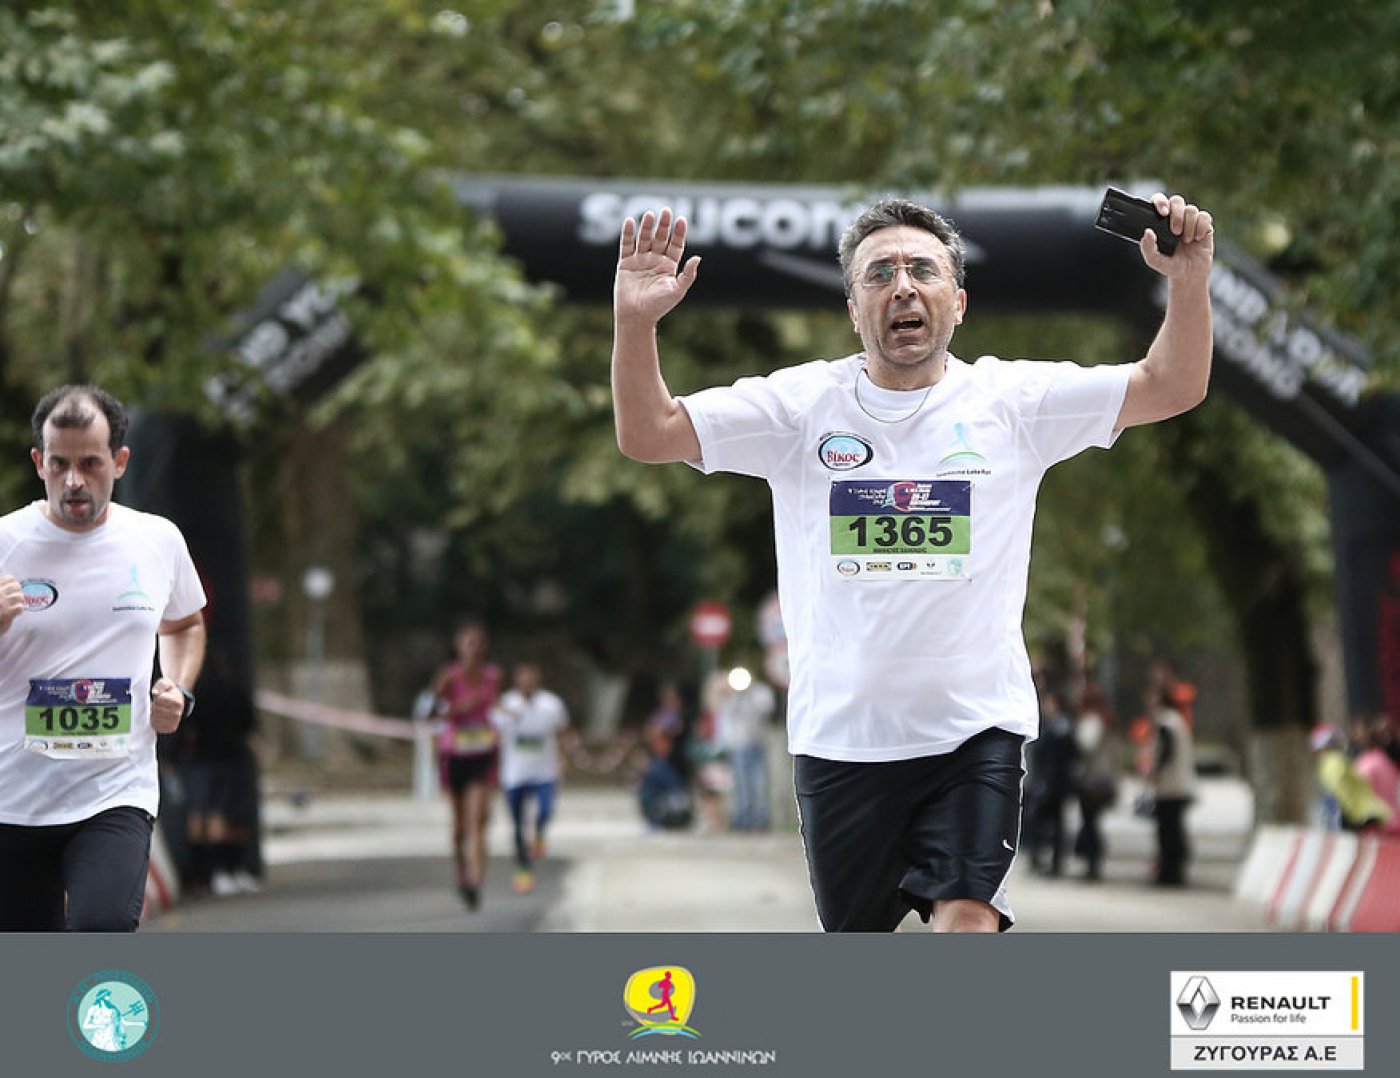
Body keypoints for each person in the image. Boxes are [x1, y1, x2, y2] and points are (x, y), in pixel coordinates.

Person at [611, 189, 1213, 931]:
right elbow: (649, 432)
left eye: (923, 270)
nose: (902, 286)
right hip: (842, 743)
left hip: (974, 733)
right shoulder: (799, 408)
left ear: (958, 303)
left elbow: (1171, 385)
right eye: (880, 274)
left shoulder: (1014, 402)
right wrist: (634, 323)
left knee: (968, 917)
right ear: (852, 309)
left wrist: (1189, 282)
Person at [0, 385, 207, 931]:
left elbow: (184, 623)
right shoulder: (5, 543)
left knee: (102, 927)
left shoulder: (157, 540)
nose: (73, 480)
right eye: (59, 464)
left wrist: (177, 686)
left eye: (90, 463)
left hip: (115, 792)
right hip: (13, 799)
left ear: (119, 461)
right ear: (39, 462)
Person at [430, 619, 500, 910]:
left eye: (479, 643)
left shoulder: (493, 676)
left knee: (479, 820)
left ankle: (475, 882)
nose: (474, 648)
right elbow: (430, 714)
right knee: (460, 827)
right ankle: (461, 871)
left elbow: (495, 708)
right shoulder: (448, 677)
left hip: (482, 754)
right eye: (468, 643)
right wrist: (456, 710)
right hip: (454, 754)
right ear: (458, 647)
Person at [491, 661, 572, 894]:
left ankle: (539, 833)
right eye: (523, 680)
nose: (527, 684)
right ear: (516, 682)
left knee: (545, 810)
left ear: (538, 680)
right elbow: (494, 733)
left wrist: (564, 757)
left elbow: (563, 731)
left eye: (531, 680)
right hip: (514, 773)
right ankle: (523, 869)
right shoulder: (506, 704)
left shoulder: (552, 704)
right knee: (517, 824)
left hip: (544, 772)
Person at [715, 667, 777, 832]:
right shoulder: (730, 695)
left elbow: (766, 709)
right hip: (739, 745)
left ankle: (760, 818)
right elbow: (726, 713)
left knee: (759, 783)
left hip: (758, 744)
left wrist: (749, 693)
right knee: (741, 783)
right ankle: (743, 818)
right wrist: (735, 694)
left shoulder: (760, 692)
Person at [1146, 685, 1196, 886]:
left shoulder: (1165, 722)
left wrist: (1155, 771)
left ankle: (1169, 871)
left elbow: (1166, 751)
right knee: (1175, 829)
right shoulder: (1177, 721)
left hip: (1170, 786)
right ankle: (1174, 870)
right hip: (1180, 784)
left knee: (1168, 832)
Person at [1023, 690, 1077, 877]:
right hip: (1042, 781)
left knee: (1055, 824)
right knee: (1038, 822)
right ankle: (1037, 858)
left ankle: (1055, 861)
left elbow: (1069, 755)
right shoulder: (1042, 726)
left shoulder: (1062, 727)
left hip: (1057, 783)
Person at [1070, 683, 1119, 881]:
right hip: (1103, 778)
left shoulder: (1092, 721)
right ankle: (1092, 861)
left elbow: (1085, 745)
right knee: (1093, 821)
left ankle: (1091, 861)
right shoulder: (1106, 720)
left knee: (1089, 822)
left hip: (1091, 780)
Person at [1311, 724, 1393, 834]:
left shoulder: (1330, 762)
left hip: (1357, 815)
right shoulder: (1335, 761)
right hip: (1363, 813)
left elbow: (1339, 791)